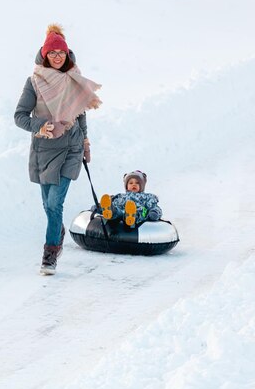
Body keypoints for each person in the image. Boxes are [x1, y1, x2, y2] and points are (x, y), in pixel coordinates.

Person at [14, 23, 102, 275]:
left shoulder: (75, 78)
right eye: (51, 53)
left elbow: (80, 113)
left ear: (67, 54)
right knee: (47, 204)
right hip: (44, 149)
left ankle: (50, 253)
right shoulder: (34, 82)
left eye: (60, 53)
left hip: (71, 148)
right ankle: (58, 230)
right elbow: (20, 116)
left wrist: (84, 142)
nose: (56, 57)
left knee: (55, 203)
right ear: (44, 55)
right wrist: (42, 127)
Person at [98, 170, 163, 228]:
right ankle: (110, 212)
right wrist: (98, 207)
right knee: (117, 210)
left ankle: (131, 217)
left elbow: (155, 207)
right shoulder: (121, 196)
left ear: (142, 186)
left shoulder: (147, 197)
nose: (134, 185)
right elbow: (112, 202)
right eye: (131, 183)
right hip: (121, 212)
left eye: (137, 183)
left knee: (140, 211)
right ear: (126, 186)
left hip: (137, 213)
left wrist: (154, 212)